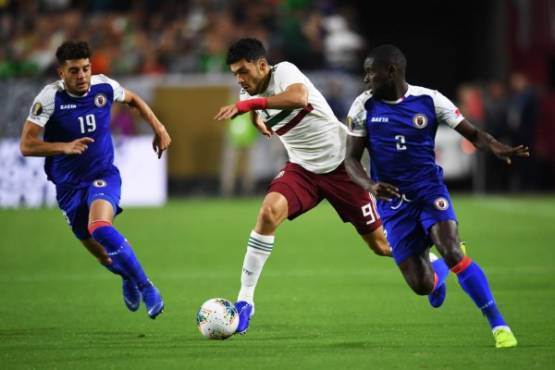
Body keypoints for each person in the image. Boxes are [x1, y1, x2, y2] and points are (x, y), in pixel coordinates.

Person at [344, 44, 529, 348]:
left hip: (428, 190)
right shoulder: (362, 107)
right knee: (421, 285)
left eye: (370, 72)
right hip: (392, 202)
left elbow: (472, 133)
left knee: (453, 249)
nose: (366, 80)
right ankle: (437, 276)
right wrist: (370, 186)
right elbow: (350, 159)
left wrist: (496, 146)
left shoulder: (429, 99)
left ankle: (499, 325)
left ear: (391, 71)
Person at [214, 38, 390, 334]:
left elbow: (297, 97)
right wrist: (257, 117)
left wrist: (252, 106)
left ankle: (432, 258)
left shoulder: (284, 71)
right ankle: (245, 301)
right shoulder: (248, 89)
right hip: (303, 170)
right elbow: (256, 102)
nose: (240, 79)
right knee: (268, 213)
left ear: (261, 65)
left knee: (381, 245)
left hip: (341, 166)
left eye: (243, 71)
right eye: (235, 74)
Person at [19, 41, 171, 319]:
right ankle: (126, 275)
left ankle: (146, 286)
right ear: (61, 73)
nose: (82, 76)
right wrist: (62, 147)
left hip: (102, 175)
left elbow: (133, 99)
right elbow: (26, 145)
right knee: (103, 256)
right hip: (67, 188)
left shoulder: (104, 86)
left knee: (100, 226)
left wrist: (159, 128)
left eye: (86, 69)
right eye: (74, 70)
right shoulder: (50, 98)